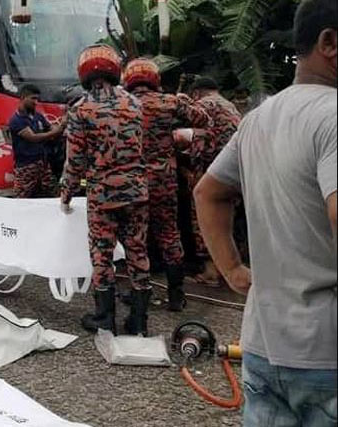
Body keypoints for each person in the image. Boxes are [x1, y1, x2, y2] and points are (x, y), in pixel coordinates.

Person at [195, 0, 337, 424]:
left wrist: (233, 269)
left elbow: (208, 193)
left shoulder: (257, 120)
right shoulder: (333, 116)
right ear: (329, 42)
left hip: (262, 344)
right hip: (326, 355)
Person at [61, 44, 151, 336]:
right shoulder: (136, 105)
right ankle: (139, 320)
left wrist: (66, 194)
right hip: (137, 192)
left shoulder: (81, 110)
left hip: (103, 197)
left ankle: (104, 318)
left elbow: (75, 161)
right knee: (138, 251)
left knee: (103, 254)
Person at [122, 58, 212, 311]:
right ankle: (176, 295)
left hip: (134, 182)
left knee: (136, 237)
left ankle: (138, 293)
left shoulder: (122, 104)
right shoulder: (170, 102)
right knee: (169, 233)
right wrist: (175, 135)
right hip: (164, 180)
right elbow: (202, 119)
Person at [174, 76, 241, 285]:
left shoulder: (203, 105)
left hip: (213, 171)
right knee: (227, 219)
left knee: (203, 218)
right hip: (236, 171)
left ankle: (211, 271)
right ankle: (229, 267)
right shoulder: (229, 106)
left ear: (196, 93)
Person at [8, 85, 66, 198]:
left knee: (54, 192)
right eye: (33, 98)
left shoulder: (37, 116)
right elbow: (33, 137)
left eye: (37, 99)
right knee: (21, 197)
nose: (36, 102)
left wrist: (58, 129)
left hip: (42, 163)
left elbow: (50, 126)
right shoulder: (16, 120)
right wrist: (58, 131)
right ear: (23, 97)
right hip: (26, 166)